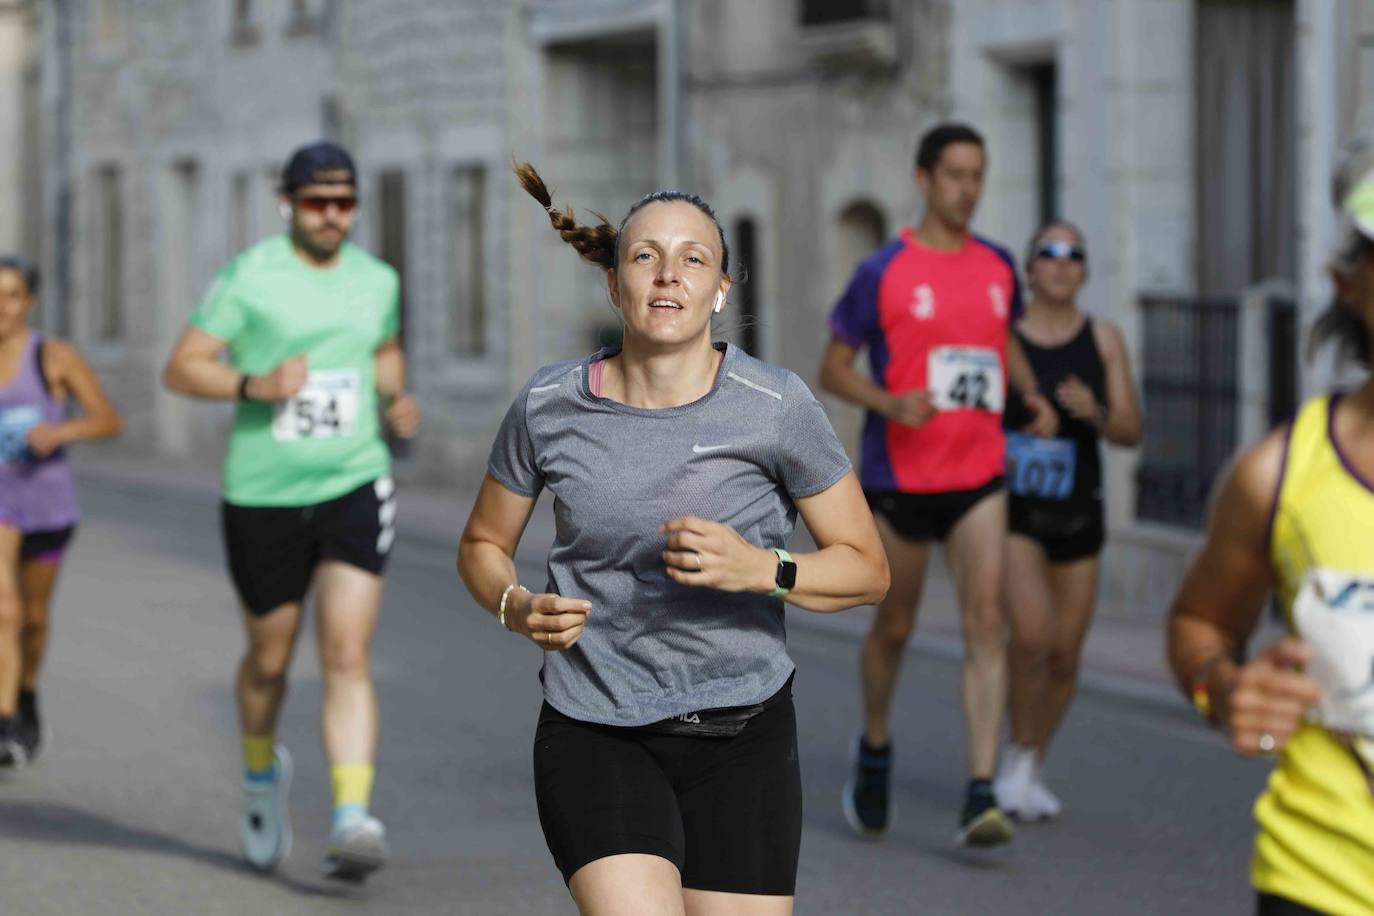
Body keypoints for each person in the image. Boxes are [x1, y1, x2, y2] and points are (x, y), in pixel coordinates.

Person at [458, 163, 889, 915]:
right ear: (616, 284)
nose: (668, 275)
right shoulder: (549, 406)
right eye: (644, 255)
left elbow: (869, 571)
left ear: (721, 289)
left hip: (743, 732)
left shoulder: (776, 407)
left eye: (693, 258)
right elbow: (481, 545)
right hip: (596, 725)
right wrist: (515, 606)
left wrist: (763, 568)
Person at [162, 141, 420, 882]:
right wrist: (256, 384)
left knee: (346, 652)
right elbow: (182, 367)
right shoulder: (249, 278)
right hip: (263, 493)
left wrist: (394, 402)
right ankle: (257, 772)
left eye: (344, 203)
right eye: (316, 202)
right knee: (271, 659)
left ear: (357, 207)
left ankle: (350, 816)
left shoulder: (378, 280)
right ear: (289, 204)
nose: (331, 216)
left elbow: (385, 350)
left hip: (353, 481)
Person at [820, 122, 1058, 847]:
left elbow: (1002, 337)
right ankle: (876, 744)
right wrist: (889, 403)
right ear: (925, 180)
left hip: (979, 473)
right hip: (901, 477)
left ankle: (980, 790)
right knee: (894, 626)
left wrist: (1032, 394)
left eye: (978, 174)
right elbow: (833, 368)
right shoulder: (883, 271)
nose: (968, 188)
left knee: (987, 623)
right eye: (955, 173)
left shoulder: (997, 266)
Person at [1167, 139, 1374, 916]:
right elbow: (1198, 623)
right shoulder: (1277, 476)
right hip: (1322, 883)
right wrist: (1224, 688)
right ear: (1349, 283)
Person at [992, 222, 1142, 820]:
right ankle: (1011, 760)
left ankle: (1028, 762)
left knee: (1066, 656)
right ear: (1030, 269)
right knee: (1031, 634)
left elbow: (1131, 431)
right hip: (1014, 512)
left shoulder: (1103, 339)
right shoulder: (1004, 338)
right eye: (1048, 253)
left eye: (1073, 253)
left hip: (1080, 509)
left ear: (1084, 270)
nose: (1061, 262)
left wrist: (1094, 411)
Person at [0, 256, 122, 765]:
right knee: (2, 610)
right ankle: (5, 723)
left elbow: (107, 419)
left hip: (47, 505)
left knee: (33, 619)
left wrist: (60, 431)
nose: (0, 307)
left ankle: (26, 692)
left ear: (29, 303)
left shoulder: (52, 356)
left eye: (11, 295)